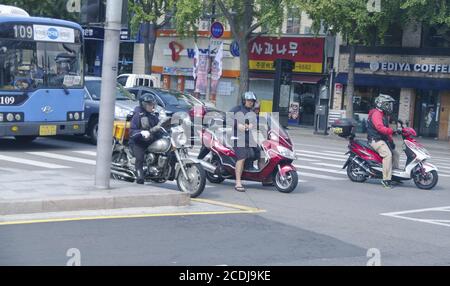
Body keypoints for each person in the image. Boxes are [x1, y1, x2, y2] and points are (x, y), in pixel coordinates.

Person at [229, 91, 264, 192]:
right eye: (249, 100)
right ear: (244, 100)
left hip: (249, 139)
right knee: (242, 157)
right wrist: (237, 125)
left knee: (262, 153)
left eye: (252, 101)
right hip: (237, 139)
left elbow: (255, 124)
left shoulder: (252, 112)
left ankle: (263, 179)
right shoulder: (237, 109)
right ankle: (238, 182)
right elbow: (227, 118)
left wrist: (254, 125)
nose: (251, 102)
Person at [367, 94, 401, 189]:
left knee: (396, 154)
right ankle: (386, 179)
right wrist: (392, 131)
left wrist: (391, 141)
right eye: (388, 104)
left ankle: (394, 175)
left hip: (382, 139)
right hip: (375, 140)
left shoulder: (384, 115)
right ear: (381, 104)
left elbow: (387, 130)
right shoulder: (376, 114)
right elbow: (380, 128)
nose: (389, 106)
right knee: (388, 155)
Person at [129, 93, 161, 184]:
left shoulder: (153, 115)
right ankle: (139, 176)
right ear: (143, 104)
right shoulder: (138, 115)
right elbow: (132, 132)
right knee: (140, 158)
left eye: (153, 104)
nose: (152, 106)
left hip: (150, 141)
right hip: (138, 142)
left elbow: (158, 127)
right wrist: (141, 132)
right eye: (150, 104)